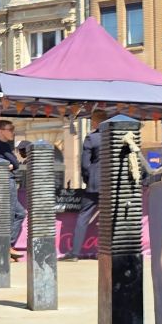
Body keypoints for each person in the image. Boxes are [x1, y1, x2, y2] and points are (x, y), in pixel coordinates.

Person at [0, 120, 27, 261]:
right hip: (5, 181)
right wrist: (9, 165)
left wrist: (11, 165)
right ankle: (6, 246)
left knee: (18, 213)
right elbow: (15, 163)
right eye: (10, 129)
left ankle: (6, 245)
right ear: (1, 131)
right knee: (10, 213)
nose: (12, 132)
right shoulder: (1, 145)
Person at [66, 111, 104, 261]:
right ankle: (107, 252)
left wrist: (88, 179)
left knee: (83, 217)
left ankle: (75, 253)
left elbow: (85, 164)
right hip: (112, 184)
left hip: (94, 184)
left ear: (95, 122)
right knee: (111, 218)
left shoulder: (92, 138)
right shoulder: (116, 138)